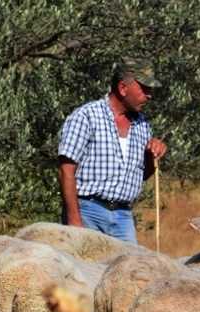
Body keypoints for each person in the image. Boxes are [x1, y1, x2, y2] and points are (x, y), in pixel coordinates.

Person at [57, 58, 168, 244]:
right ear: (123, 88)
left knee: (131, 270)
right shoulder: (86, 116)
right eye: (145, 89)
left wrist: (152, 155)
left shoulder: (142, 124)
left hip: (123, 216)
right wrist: (74, 221)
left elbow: (142, 175)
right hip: (88, 210)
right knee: (86, 271)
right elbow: (65, 171)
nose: (150, 95)